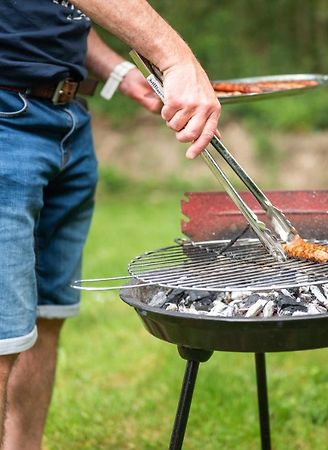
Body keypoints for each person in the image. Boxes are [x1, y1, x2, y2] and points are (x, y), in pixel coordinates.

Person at [0, 1, 221, 448]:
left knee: (44, 319)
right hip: (7, 118)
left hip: (66, 119)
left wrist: (119, 74)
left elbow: (50, 15)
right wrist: (176, 58)